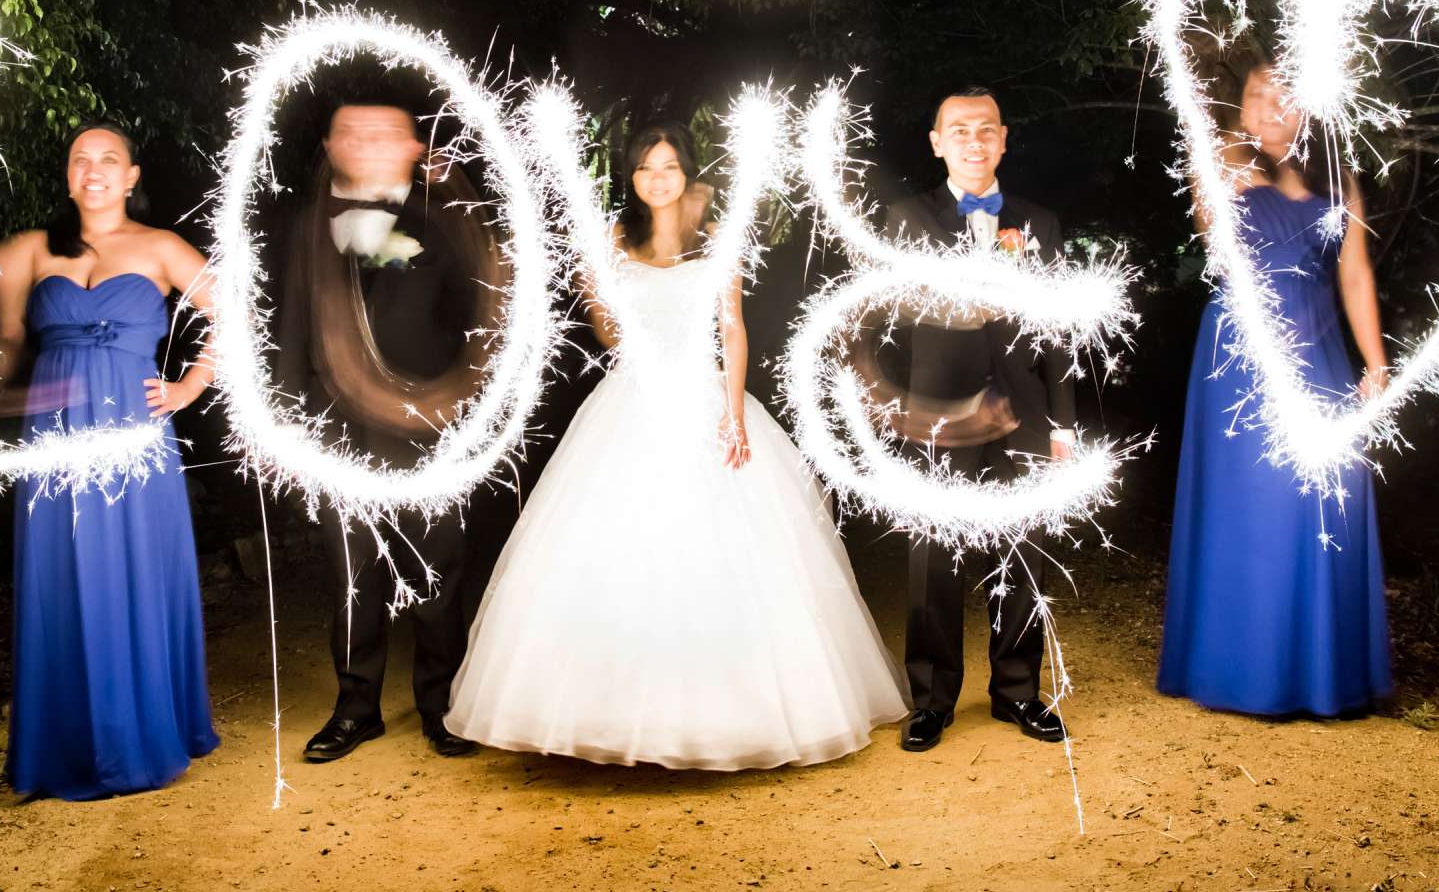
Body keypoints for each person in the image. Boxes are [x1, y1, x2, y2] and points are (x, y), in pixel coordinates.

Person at [444, 122, 906, 769]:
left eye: (669, 167)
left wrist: (735, 414)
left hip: (705, 394)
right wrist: (594, 288)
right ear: (631, 179)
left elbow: (735, 332)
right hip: (632, 398)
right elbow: (612, 337)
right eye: (645, 169)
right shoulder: (610, 240)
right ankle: (604, 710)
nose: (657, 179)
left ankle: (733, 712)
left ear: (686, 175)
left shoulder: (717, 241)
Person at [0, 118, 219, 800]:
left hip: (135, 435)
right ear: (67, 176)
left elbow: (241, 311)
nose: (92, 169)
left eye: (108, 159)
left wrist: (190, 383)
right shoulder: (39, 251)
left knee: (131, 573)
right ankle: (70, 746)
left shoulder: (160, 248)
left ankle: (143, 733)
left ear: (131, 178)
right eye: (79, 159)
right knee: (63, 580)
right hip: (56, 438)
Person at [1157, 59, 1395, 717]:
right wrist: (1231, 140)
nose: (1267, 107)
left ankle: (1316, 669)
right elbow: (1212, 228)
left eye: (1282, 96)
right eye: (1255, 97)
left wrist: (1374, 363)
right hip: (1241, 348)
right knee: (1249, 498)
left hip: (1319, 348)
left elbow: (1354, 275)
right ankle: (1238, 667)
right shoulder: (1226, 166)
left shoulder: (1340, 180)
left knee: (1323, 495)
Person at [278, 100, 490, 762]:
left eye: (381, 133)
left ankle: (442, 702)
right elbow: (292, 324)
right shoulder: (310, 224)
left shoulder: (446, 218)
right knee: (352, 571)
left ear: (411, 145)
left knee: (436, 568)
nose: (364, 144)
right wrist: (291, 414)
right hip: (337, 428)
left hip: (427, 426)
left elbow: (487, 314)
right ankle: (356, 706)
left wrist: (468, 405)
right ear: (330, 146)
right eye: (350, 133)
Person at [882, 88, 1080, 753]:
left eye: (985, 129)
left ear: (1003, 139)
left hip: (1023, 414)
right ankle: (932, 699)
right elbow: (890, 320)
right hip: (938, 417)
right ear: (936, 142)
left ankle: (1018, 692)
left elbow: (1058, 331)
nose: (973, 141)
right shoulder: (906, 218)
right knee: (932, 557)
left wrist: (1064, 423)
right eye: (958, 130)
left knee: (1022, 552)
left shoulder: (1039, 223)